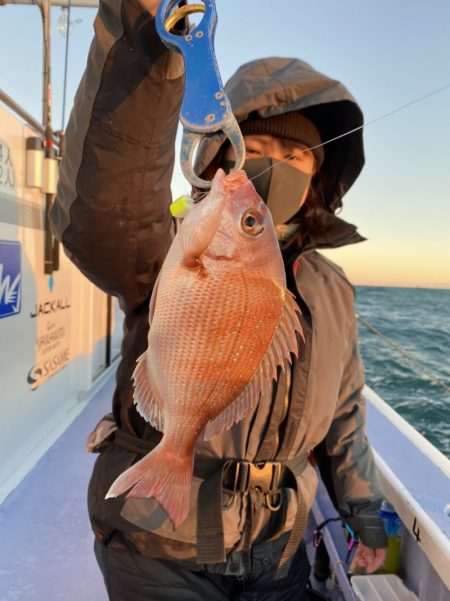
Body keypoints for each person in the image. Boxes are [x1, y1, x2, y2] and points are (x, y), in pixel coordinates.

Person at [50, 1, 388, 599]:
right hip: (158, 546)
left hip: (279, 551)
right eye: (255, 145)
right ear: (220, 151)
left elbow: (344, 415)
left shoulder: (332, 289)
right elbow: (107, 210)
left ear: (320, 176)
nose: (272, 167)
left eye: (296, 155)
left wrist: (362, 507)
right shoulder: (172, 243)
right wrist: (146, 41)